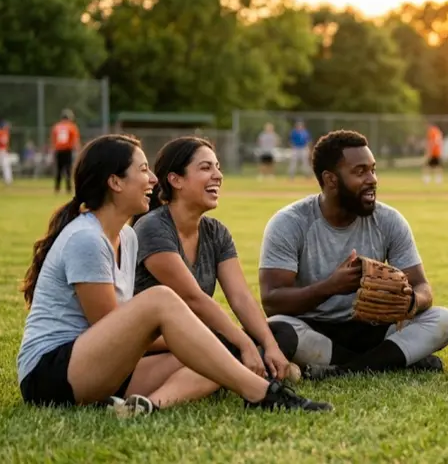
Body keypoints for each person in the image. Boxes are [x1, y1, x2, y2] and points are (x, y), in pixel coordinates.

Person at [16, 134, 333, 415]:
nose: (152, 179)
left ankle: (144, 409)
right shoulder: (87, 238)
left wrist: (223, 343)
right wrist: (192, 337)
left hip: (103, 371)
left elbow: (237, 298)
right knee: (163, 301)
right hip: (51, 375)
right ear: (115, 182)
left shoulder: (127, 238)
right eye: (142, 170)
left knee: (217, 357)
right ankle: (262, 394)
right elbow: (108, 328)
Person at [259, 129, 448, 380]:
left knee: (442, 320)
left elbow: (422, 286)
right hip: (315, 330)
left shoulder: (389, 220)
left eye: (373, 169)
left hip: (375, 329)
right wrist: (330, 287)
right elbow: (272, 301)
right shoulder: (289, 222)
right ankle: (391, 360)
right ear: (330, 179)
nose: (372, 179)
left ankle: (342, 371)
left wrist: (412, 302)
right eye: (360, 172)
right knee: (276, 328)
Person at [131, 136, 313, 407]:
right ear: (175, 180)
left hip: (194, 339)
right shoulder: (153, 228)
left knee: (278, 333)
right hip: (152, 348)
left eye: (217, 167)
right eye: (206, 168)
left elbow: (240, 298)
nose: (218, 175)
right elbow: (194, 298)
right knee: (227, 347)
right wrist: (245, 344)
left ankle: (251, 366)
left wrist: (270, 345)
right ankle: (154, 404)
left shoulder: (216, 233)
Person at [51, 109, 81, 194]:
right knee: (68, 169)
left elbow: (53, 140)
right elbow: (75, 140)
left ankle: (57, 188)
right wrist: (78, 149)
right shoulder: (72, 126)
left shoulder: (56, 126)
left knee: (59, 170)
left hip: (58, 150)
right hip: (68, 150)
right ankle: (68, 188)